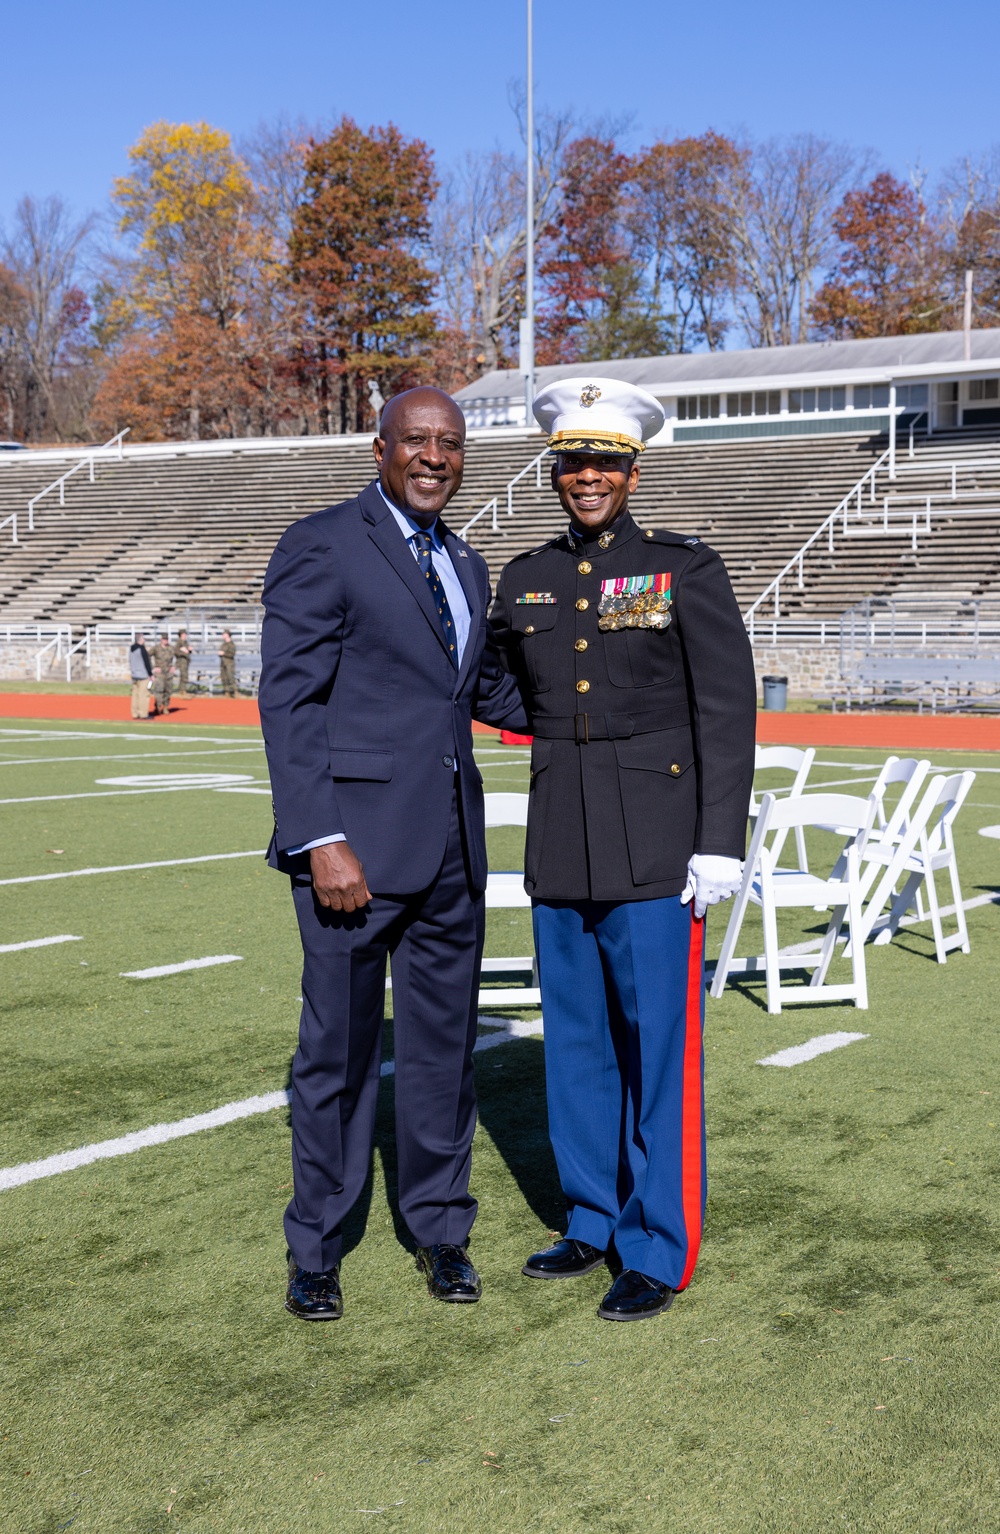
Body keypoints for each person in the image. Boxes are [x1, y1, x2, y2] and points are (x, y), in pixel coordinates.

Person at [490, 378, 757, 1322]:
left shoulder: (685, 568)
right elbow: (493, 679)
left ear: (634, 470)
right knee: (578, 1047)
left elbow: (726, 712)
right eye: (573, 462)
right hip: (563, 835)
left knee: (658, 1052)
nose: (588, 477)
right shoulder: (525, 575)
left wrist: (718, 841)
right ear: (554, 471)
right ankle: (592, 1219)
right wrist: (565, 729)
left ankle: (657, 1244)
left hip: (659, 846)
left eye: (605, 461)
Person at [259, 386, 527, 1322]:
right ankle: (318, 1248)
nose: (433, 456)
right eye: (415, 440)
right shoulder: (324, 543)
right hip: (353, 857)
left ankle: (442, 1231)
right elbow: (288, 703)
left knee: (445, 1053)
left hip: (453, 847)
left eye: (448, 444)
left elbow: (486, 689)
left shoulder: (468, 560)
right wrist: (320, 838)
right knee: (335, 1052)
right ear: (380, 449)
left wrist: (614, 702)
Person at [149, 632, 175, 716]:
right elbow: (147, 656)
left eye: (166, 639)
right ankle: (157, 706)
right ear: (161, 640)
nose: (165, 641)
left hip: (168, 673)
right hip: (159, 673)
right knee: (159, 690)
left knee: (168, 690)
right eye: (164, 639)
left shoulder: (171, 648)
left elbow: (180, 656)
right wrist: (153, 667)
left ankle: (165, 707)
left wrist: (174, 666)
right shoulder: (156, 648)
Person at [129, 632, 152, 719]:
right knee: (144, 695)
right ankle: (143, 714)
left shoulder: (131, 648)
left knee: (135, 695)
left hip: (134, 674)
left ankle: (135, 713)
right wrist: (150, 674)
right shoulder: (142, 649)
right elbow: (147, 663)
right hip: (143, 675)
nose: (144, 640)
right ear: (140, 640)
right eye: (143, 638)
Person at [218, 630, 237, 696]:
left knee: (230, 677)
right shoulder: (223, 644)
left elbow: (232, 654)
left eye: (224, 634)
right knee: (224, 677)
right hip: (223, 663)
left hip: (229, 663)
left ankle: (235, 691)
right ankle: (227, 692)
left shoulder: (231, 644)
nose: (223, 636)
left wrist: (224, 653)